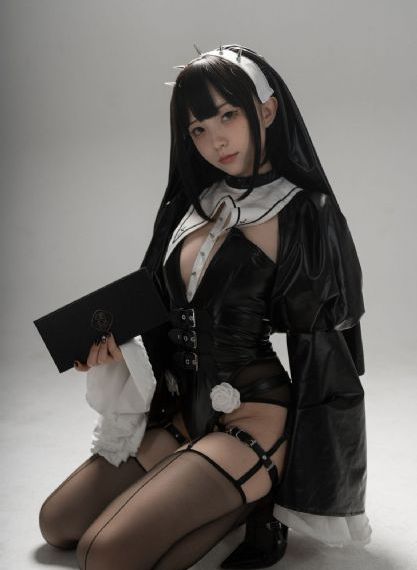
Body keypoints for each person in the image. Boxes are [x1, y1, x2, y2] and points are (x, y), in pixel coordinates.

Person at [38, 44, 371, 570]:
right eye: (197, 128)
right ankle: (207, 482)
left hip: (254, 415)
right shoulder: (195, 201)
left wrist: (316, 479)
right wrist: (114, 354)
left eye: (227, 115)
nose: (215, 139)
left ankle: (258, 496)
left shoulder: (304, 212)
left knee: (102, 554)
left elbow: (326, 349)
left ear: (267, 109)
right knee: (58, 523)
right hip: (186, 410)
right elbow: (156, 309)